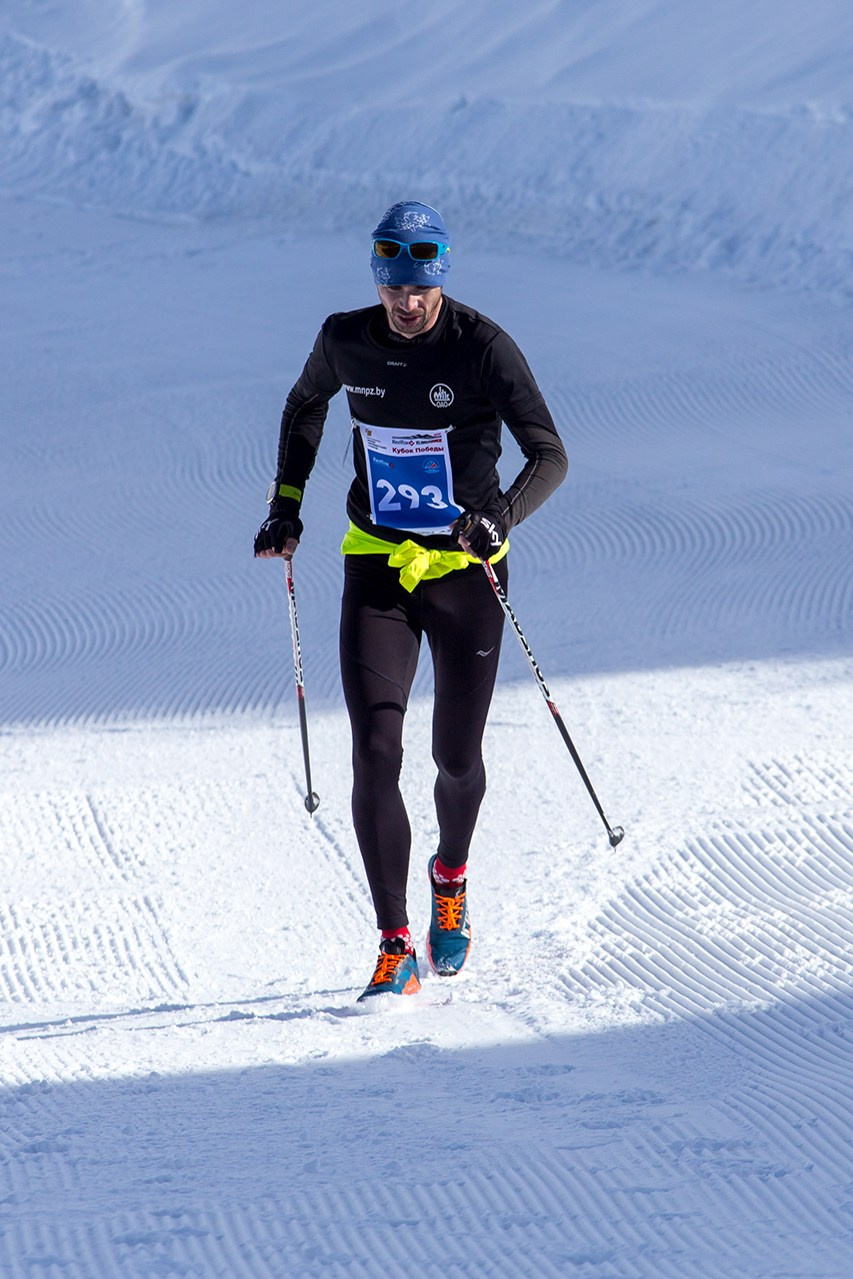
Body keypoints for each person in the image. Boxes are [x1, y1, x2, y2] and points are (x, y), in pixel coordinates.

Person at [255, 201, 567, 1003]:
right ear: (378, 282)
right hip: (378, 564)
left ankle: (449, 876)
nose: (405, 302)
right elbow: (304, 404)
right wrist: (285, 506)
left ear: (440, 280)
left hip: (465, 571)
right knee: (374, 750)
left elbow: (548, 454)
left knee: (455, 759)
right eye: (392, 286)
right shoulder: (345, 338)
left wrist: (500, 517)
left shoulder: (481, 345)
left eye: (419, 288)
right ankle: (394, 944)